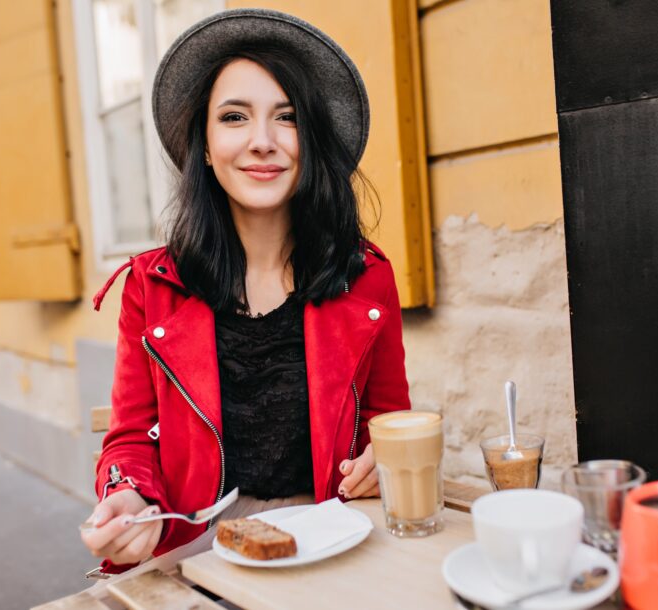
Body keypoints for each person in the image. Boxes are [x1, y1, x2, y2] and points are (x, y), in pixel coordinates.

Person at [80, 8, 409, 575]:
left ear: (313, 143)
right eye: (234, 117)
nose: (262, 141)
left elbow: (390, 420)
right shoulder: (150, 287)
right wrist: (129, 494)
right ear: (204, 146)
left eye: (287, 118)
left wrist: (387, 458)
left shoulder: (366, 276)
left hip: (337, 541)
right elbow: (131, 438)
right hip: (199, 553)